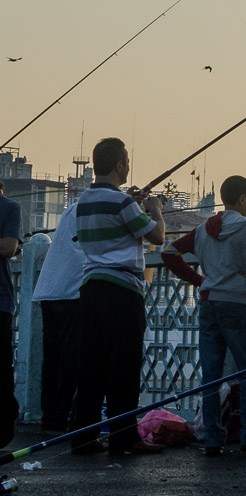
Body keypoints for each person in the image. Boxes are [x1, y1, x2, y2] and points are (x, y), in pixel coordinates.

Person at [159, 175, 246, 456]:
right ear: (244, 198)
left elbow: (168, 251)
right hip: (237, 302)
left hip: (209, 303)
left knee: (210, 374)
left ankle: (212, 438)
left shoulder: (202, 230)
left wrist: (199, 281)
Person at [69, 138, 168, 455]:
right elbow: (157, 235)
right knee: (123, 365)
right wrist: (155, 210)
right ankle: (123, 437)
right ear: (120, 164)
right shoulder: (123, 204)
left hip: (91, 287)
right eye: (126, 161)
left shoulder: (84, 200)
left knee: (92, 366)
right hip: (122, 290)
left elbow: (113, 220)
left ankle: (83, 437)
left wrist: (131, 203)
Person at [31, 202, 85, 432]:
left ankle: (51, 417)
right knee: (70, 358)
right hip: (72, 290)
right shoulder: (93, 208)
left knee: (52, 358)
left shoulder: (72, 208)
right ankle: (61, 415)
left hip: (50, 289)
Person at [0, 181, 22, 449]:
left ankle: (4, 427)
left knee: (1, 368)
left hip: (0, 301)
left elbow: (8, 247)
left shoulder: (9, 207)